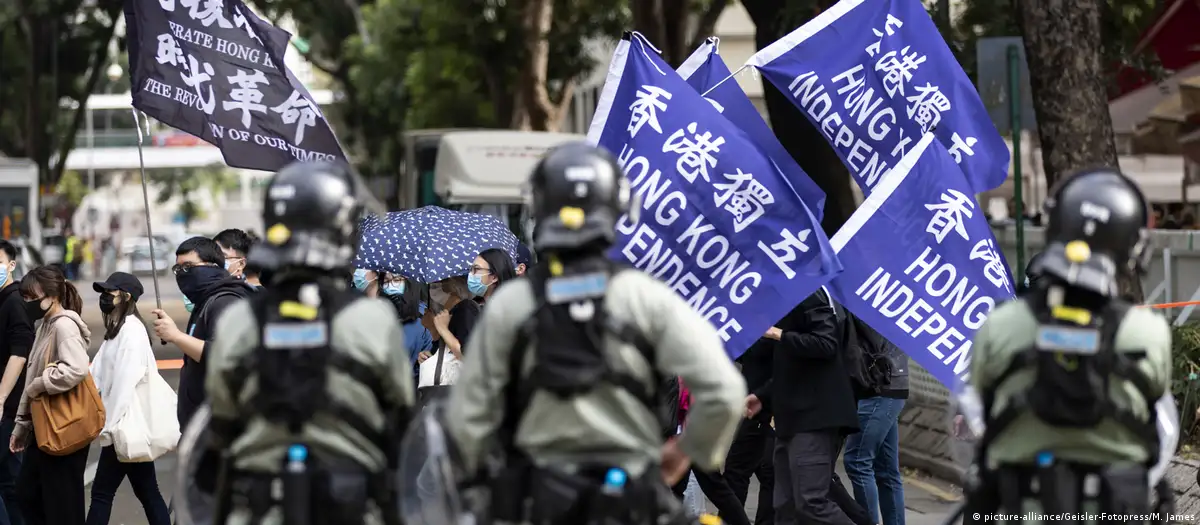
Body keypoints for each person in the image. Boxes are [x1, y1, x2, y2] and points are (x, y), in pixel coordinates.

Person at [444, 142, 746, 524]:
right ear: (617, 208)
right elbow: (725, 392)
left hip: (538, 503)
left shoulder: (510, 304)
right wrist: (683, 453)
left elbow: (467, 420)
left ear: (539, 209)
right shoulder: (646, 297)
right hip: (631, 500)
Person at [186, 160, 414, 525]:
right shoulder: (374, 319)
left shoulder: (239, 321)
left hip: (258, 510)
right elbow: (400, 411)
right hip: (353, 509)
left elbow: (222, 418)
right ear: (342, 229)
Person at [964, 167, 1173, 523]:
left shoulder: (1000, 326)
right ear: (1133, 246)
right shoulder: (1149, 333)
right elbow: (1159, 418)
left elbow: (974, 411)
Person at [747, 289, 859, 525]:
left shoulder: (807, 293)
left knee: (811, 503)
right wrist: (763, 396)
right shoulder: (786, 297)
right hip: (791, 418)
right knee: (785, 507)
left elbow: (826, 343)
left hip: (814, 417)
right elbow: (792, 366)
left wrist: (779, 334)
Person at [86, 272, 171, 525]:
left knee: (102, 493)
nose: (105, 297)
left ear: (126, 296)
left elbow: (125, 382)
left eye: (110, 292)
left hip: (123, 425)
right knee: (148, 492)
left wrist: (110, 426)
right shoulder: (117, 329)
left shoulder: (132, 331)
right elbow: (95, 374)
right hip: (125, 426)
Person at [9, 266, 89, 525]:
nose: (27, 303)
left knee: (61, 504)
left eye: (32, 297)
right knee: (29, 494)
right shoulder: (45, 324)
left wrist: (40, 384)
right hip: (46, 425)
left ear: (52, 296)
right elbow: (32, 377)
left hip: (62, 425)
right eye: (25, 297)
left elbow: (76, 368)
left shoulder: (64, 326)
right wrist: (22, 426)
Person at [152, 237, 253, 429]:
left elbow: (220, 354)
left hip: (218, 427)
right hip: (201, 424)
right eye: (178, 268)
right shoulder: (206, 302)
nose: (182, 273)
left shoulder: (225, 301)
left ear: (213, 266)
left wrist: (176, 336)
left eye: (188, 266)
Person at [841, 328, 908, 525]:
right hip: (891, 383)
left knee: (857, 461)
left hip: (877, 384)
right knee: (886, 470)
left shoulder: (866, 309)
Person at [723, 340, 774, 525]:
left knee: (738, 470)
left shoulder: (775, 330)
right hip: (760, 403)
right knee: (768, 472)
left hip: (764, 406)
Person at [0, 241, 32, 525]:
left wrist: (0, 400)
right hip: (7, 408)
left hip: (8, 408)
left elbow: (19, 354)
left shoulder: (14, 302)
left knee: (10, 483)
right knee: (8, 483)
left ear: (11, 265)